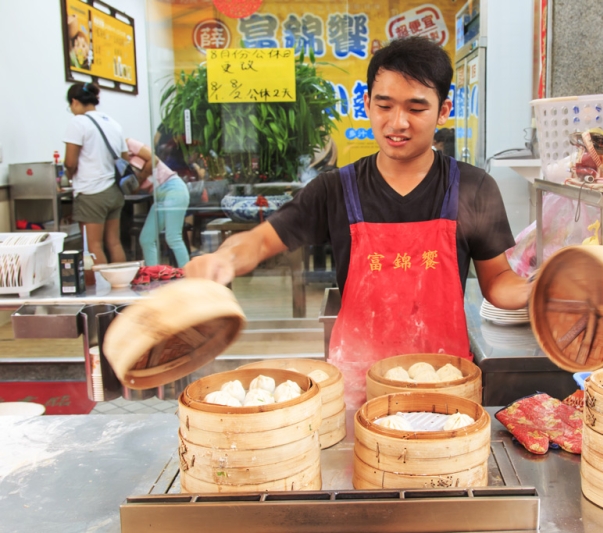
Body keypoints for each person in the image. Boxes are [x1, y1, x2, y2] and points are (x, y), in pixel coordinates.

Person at [186, 37, 530, 407]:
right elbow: (260, 241)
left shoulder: (474, 187)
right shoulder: (334, 189)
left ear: (443, 110)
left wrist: (537, 292)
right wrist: (224, 259)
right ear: (367, 104)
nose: (397, 123)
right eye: (384, 105)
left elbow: (497, 282)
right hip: (355, 390)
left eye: (416, 108)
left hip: (444, 385)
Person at [63, 82, 127, 269]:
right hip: (114, 192)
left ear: (74, 102)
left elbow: (70, 162)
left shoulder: (78, 122)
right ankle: (120, 290)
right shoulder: (112, 123)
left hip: (92, 192)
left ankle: (102, 293)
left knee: (93, 246)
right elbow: (125, 158)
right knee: (114, 243)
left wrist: (68, 175)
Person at [125, 138, 191, 268]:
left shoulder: (129, 144)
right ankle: (153, 275)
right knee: (146, 239)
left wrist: (139, 178)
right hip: (159, 194)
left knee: (173, 237)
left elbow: (153, 159)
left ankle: (189, 277)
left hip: (172, 187)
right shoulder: (117, 161)